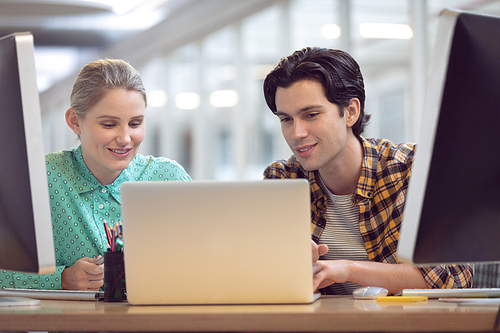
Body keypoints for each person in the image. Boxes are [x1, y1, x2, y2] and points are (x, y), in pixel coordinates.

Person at [262, 47, 473, 295]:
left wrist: (348, 269)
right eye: (286, 119)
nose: (297, 133)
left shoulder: (412, 171)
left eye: (311, 114)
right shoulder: (283, 180)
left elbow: (454, 277)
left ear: (351, 111)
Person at [0, 59, 191, 291]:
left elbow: (207, 258)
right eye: (109, 124)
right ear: (75, 121)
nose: (125, 138)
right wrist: (62, 279)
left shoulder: (168, 179)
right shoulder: (40, 180)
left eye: (135, 123)